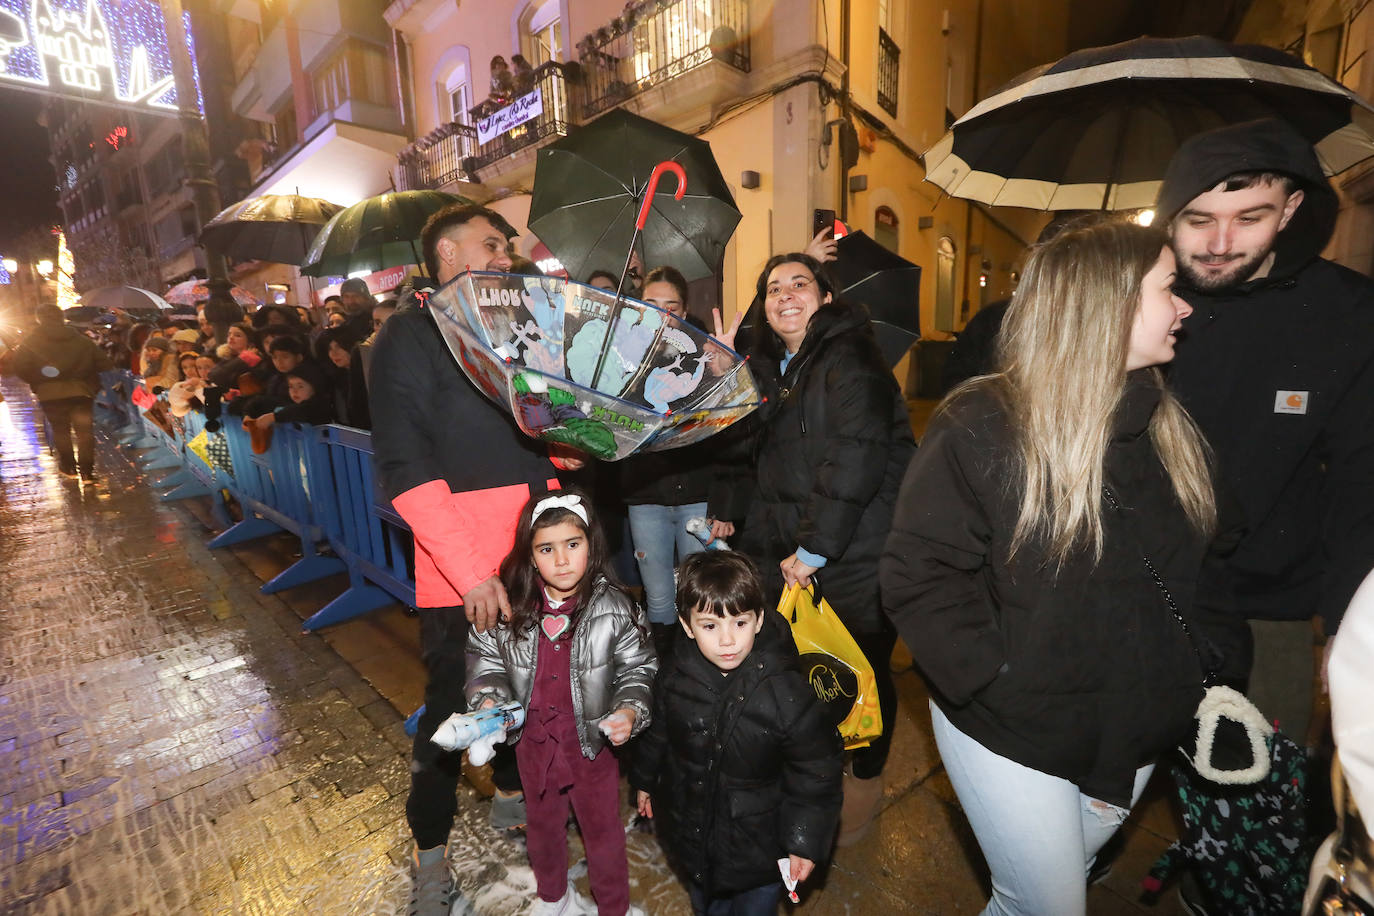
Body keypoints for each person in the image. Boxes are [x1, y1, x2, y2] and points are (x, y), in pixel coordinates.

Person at [880, 217, 1250, 916]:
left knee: (1043, 889)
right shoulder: (983, 421)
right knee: (1049, 905)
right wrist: (997, 679)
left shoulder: (1170, 427)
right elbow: (919, 574)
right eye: (1168, 288)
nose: (1186, 307)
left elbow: (1215, 558)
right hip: (1012, 726)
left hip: (1136, 729)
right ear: (1104, 303)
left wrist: (1202, 662)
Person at [369, 202, 583, 916]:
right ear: (449, 257)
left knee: (537, 697)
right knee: (450, 718)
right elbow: (406, 467)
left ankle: (515, 799)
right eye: (493, 245)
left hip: (537, 557)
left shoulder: (519, 333)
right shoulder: (408, 336)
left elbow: (541, 440)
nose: (506, 257)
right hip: (464, 574)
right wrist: (472, 573)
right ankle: (431, 859)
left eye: (508, 246)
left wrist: (576, 444)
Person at [1155, 118, 1374, 747]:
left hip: (1267, 607)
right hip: (1131, 587)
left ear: (1292, 209)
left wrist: (1347, 623)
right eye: (1198, 220)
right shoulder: (1140, 299)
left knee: (1258, 794)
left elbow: (1363, 478)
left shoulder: (1349, 316)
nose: (1221, 243)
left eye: (1250, 218)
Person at [712, 252, 914, 846]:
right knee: (800, 673)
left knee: (862, 672)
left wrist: (816, 549)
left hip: (856, 553)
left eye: (800, 283)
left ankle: (865, 778)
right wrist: (720, 373)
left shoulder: (852, 355)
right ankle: (810, 770)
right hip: (786, 554)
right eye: (773, 287)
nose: (786, 295)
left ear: (825, 297)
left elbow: (857, 451)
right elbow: (739, 449)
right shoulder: (775, 369)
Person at [467, 492, 656, 916]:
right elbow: (486, 662)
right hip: (532, 743)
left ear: (592, 544)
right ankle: (553, 897)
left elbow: (639, 670)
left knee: (603, 831)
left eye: (573, 544)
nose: (562, 559)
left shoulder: (617, 606)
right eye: (546, 549)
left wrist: (629, 711)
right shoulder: (509, 606)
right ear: (531, 556)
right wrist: (488, 703)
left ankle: (614, 907)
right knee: (542, 826)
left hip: (591, 744)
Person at [631, 551, 843, 915]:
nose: (727, 640)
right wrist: (645, 780)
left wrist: (803, 840)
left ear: (759, 620)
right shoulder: (674, 676)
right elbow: (659, 733)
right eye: (710, 626)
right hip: (693, 831)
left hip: (758, 844)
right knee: (704, 903)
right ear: (687, 626)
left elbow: (816, 771)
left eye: (740, 623)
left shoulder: (787, 692)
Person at [618, 266, 716, 656]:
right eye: (650, 304)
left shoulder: (708, 359)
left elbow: (725, 435)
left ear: (686, 311)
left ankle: (702, 670)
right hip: (646, 496)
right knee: (658, 597)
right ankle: (665, 674)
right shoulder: (621, 359)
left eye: (670, 306)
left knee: (702, 593)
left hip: (697, 492)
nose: (661, 314)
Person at [10, 304, 113, 480]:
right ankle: (87, 472)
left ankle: (68, 467)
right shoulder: (81, 340)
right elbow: (104, 363)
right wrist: (89, 378)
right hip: (81, 392)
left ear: (39, 319)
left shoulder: (31, 342)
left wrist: (37, 381)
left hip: (49, 394)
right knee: (85, 432)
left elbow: (19, 367)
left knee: (60, 431)